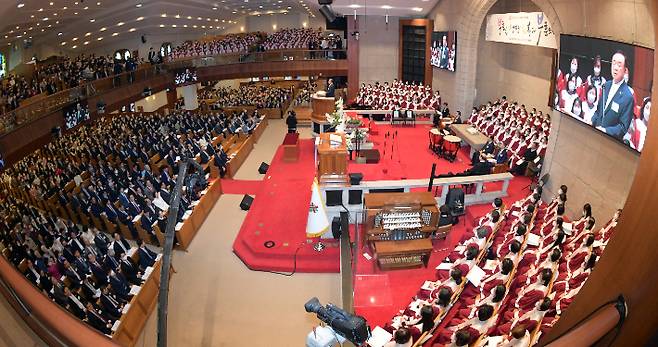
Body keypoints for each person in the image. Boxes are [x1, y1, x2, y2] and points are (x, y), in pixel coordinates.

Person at [591, 51, 635, 140]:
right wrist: (591, 121)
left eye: (619, 65)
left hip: (610, 141)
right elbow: (598, 111)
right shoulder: (606, 85)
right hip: (595, 134)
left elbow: (623, 127)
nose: (615, 68)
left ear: (625, 70)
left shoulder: (628, 97)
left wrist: (606, 131)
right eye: (613, 63)